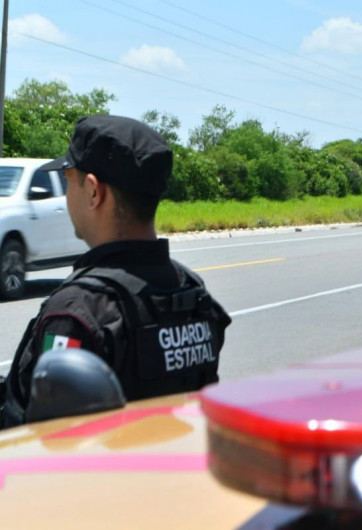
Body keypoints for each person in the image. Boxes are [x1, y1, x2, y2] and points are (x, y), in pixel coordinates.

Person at [1, 115, 231, 428]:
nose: (66, 195)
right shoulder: (193, 294)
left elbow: (44, 441)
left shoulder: (76, 313)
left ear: (93, 191)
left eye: (69, 179)